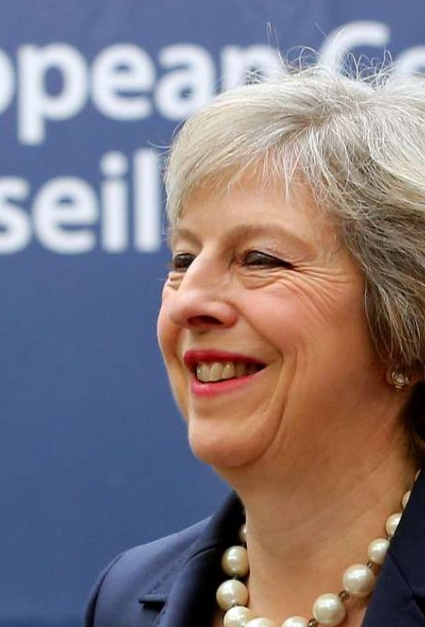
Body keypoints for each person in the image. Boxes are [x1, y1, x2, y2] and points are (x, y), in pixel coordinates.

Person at [83, 64, 425, 627]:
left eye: (260, 259)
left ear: (405, 326)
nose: (188, 302)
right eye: (182, 260)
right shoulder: (124, 598)